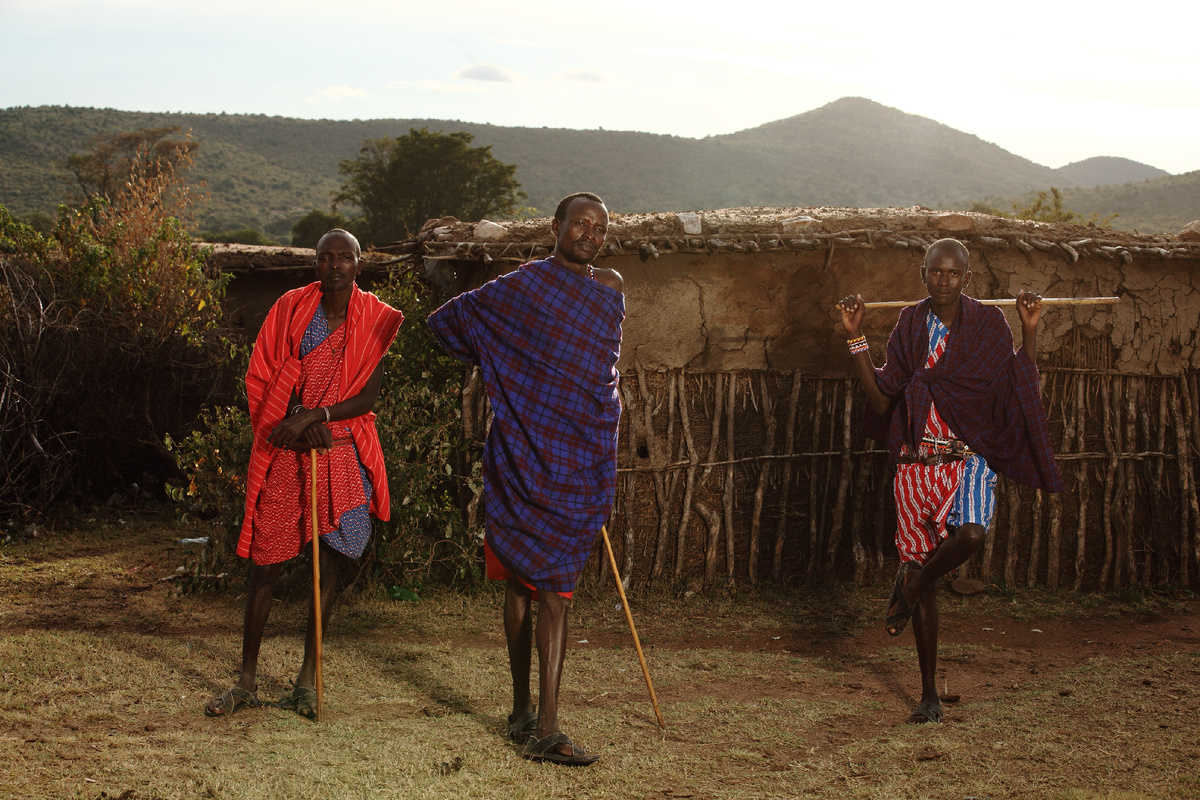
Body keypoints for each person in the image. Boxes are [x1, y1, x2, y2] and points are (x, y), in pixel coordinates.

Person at [427, 192, 623, 765]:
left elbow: (601, 367)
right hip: (523, 451)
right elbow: (448, 324)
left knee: (556, 592)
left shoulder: (608, 289)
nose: (589, 233)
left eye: (598, 228)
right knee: (518, 583)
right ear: (555, 228)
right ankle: (523, 714)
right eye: (579, 224)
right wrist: (501, 361)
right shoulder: (521, 286)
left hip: (578, 453)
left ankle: (544, 723)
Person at [837, 237, 1063, 725]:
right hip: (917, 464)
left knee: (972, 535)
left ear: (967, 279)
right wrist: (856, 337)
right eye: (935, 273)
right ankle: (928, 695)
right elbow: (881, 401)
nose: (943, 281)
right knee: (930, 577)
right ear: (923, 274)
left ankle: (911, 584)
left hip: (969, 458)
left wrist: (1030, 331)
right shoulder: (910, 324)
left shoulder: (988, 324)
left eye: (953, 274)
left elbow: (1018, 383)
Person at [205, 229, 404, 719]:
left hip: (337, 447)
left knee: (328, 561)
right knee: (264, 564)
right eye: (326, 257)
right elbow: (263, 372)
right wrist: (294, 416)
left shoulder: (375, 320)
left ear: (359, 264)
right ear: (316, 264)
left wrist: (318, 417)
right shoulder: (290, 308)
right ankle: (247, 681)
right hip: (285, 445)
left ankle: (306, 681)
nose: (334, 264)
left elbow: (368, 398)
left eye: (345, 257)